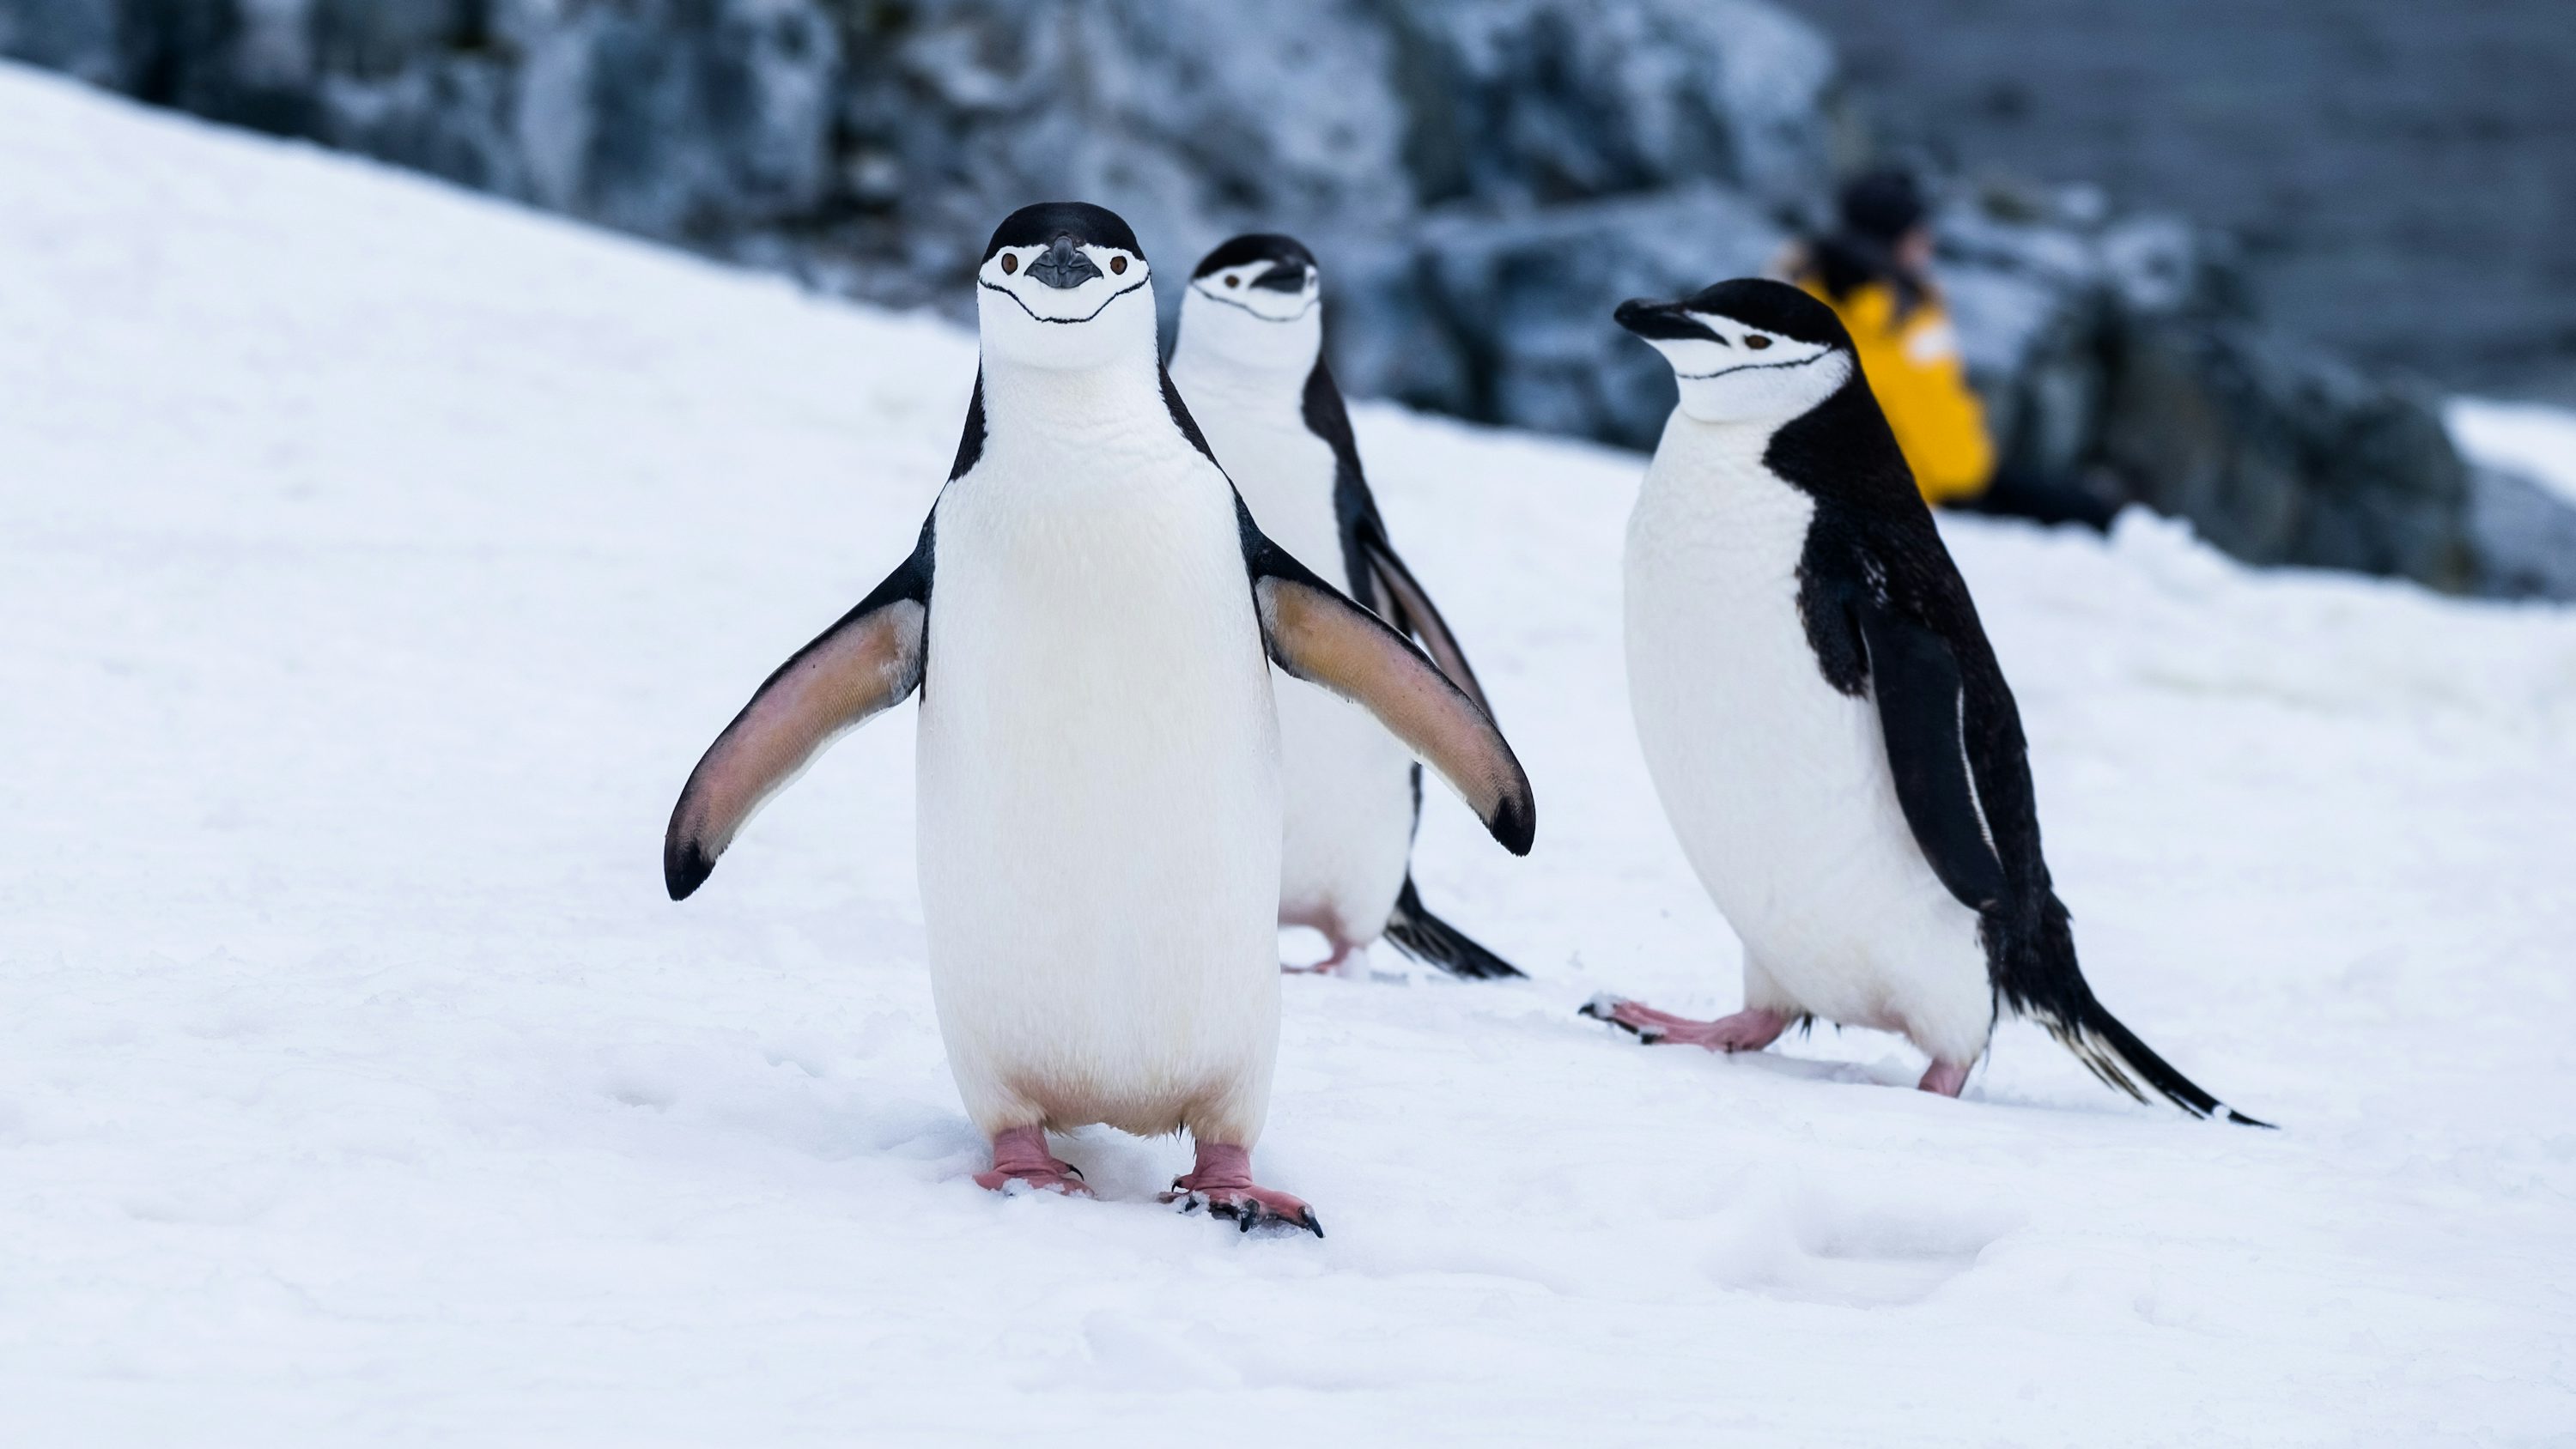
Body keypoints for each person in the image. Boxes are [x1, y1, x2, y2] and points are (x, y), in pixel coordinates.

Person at [1782, 168, 2119, 530]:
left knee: (2073, 502)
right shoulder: (1876, 317)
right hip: (1917, 492)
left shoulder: (1879, 301)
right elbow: (1934, 442)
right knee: (2079, 511)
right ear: (1888, 240)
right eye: (1916, 233)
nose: (1928, 243)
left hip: (1931, 477)